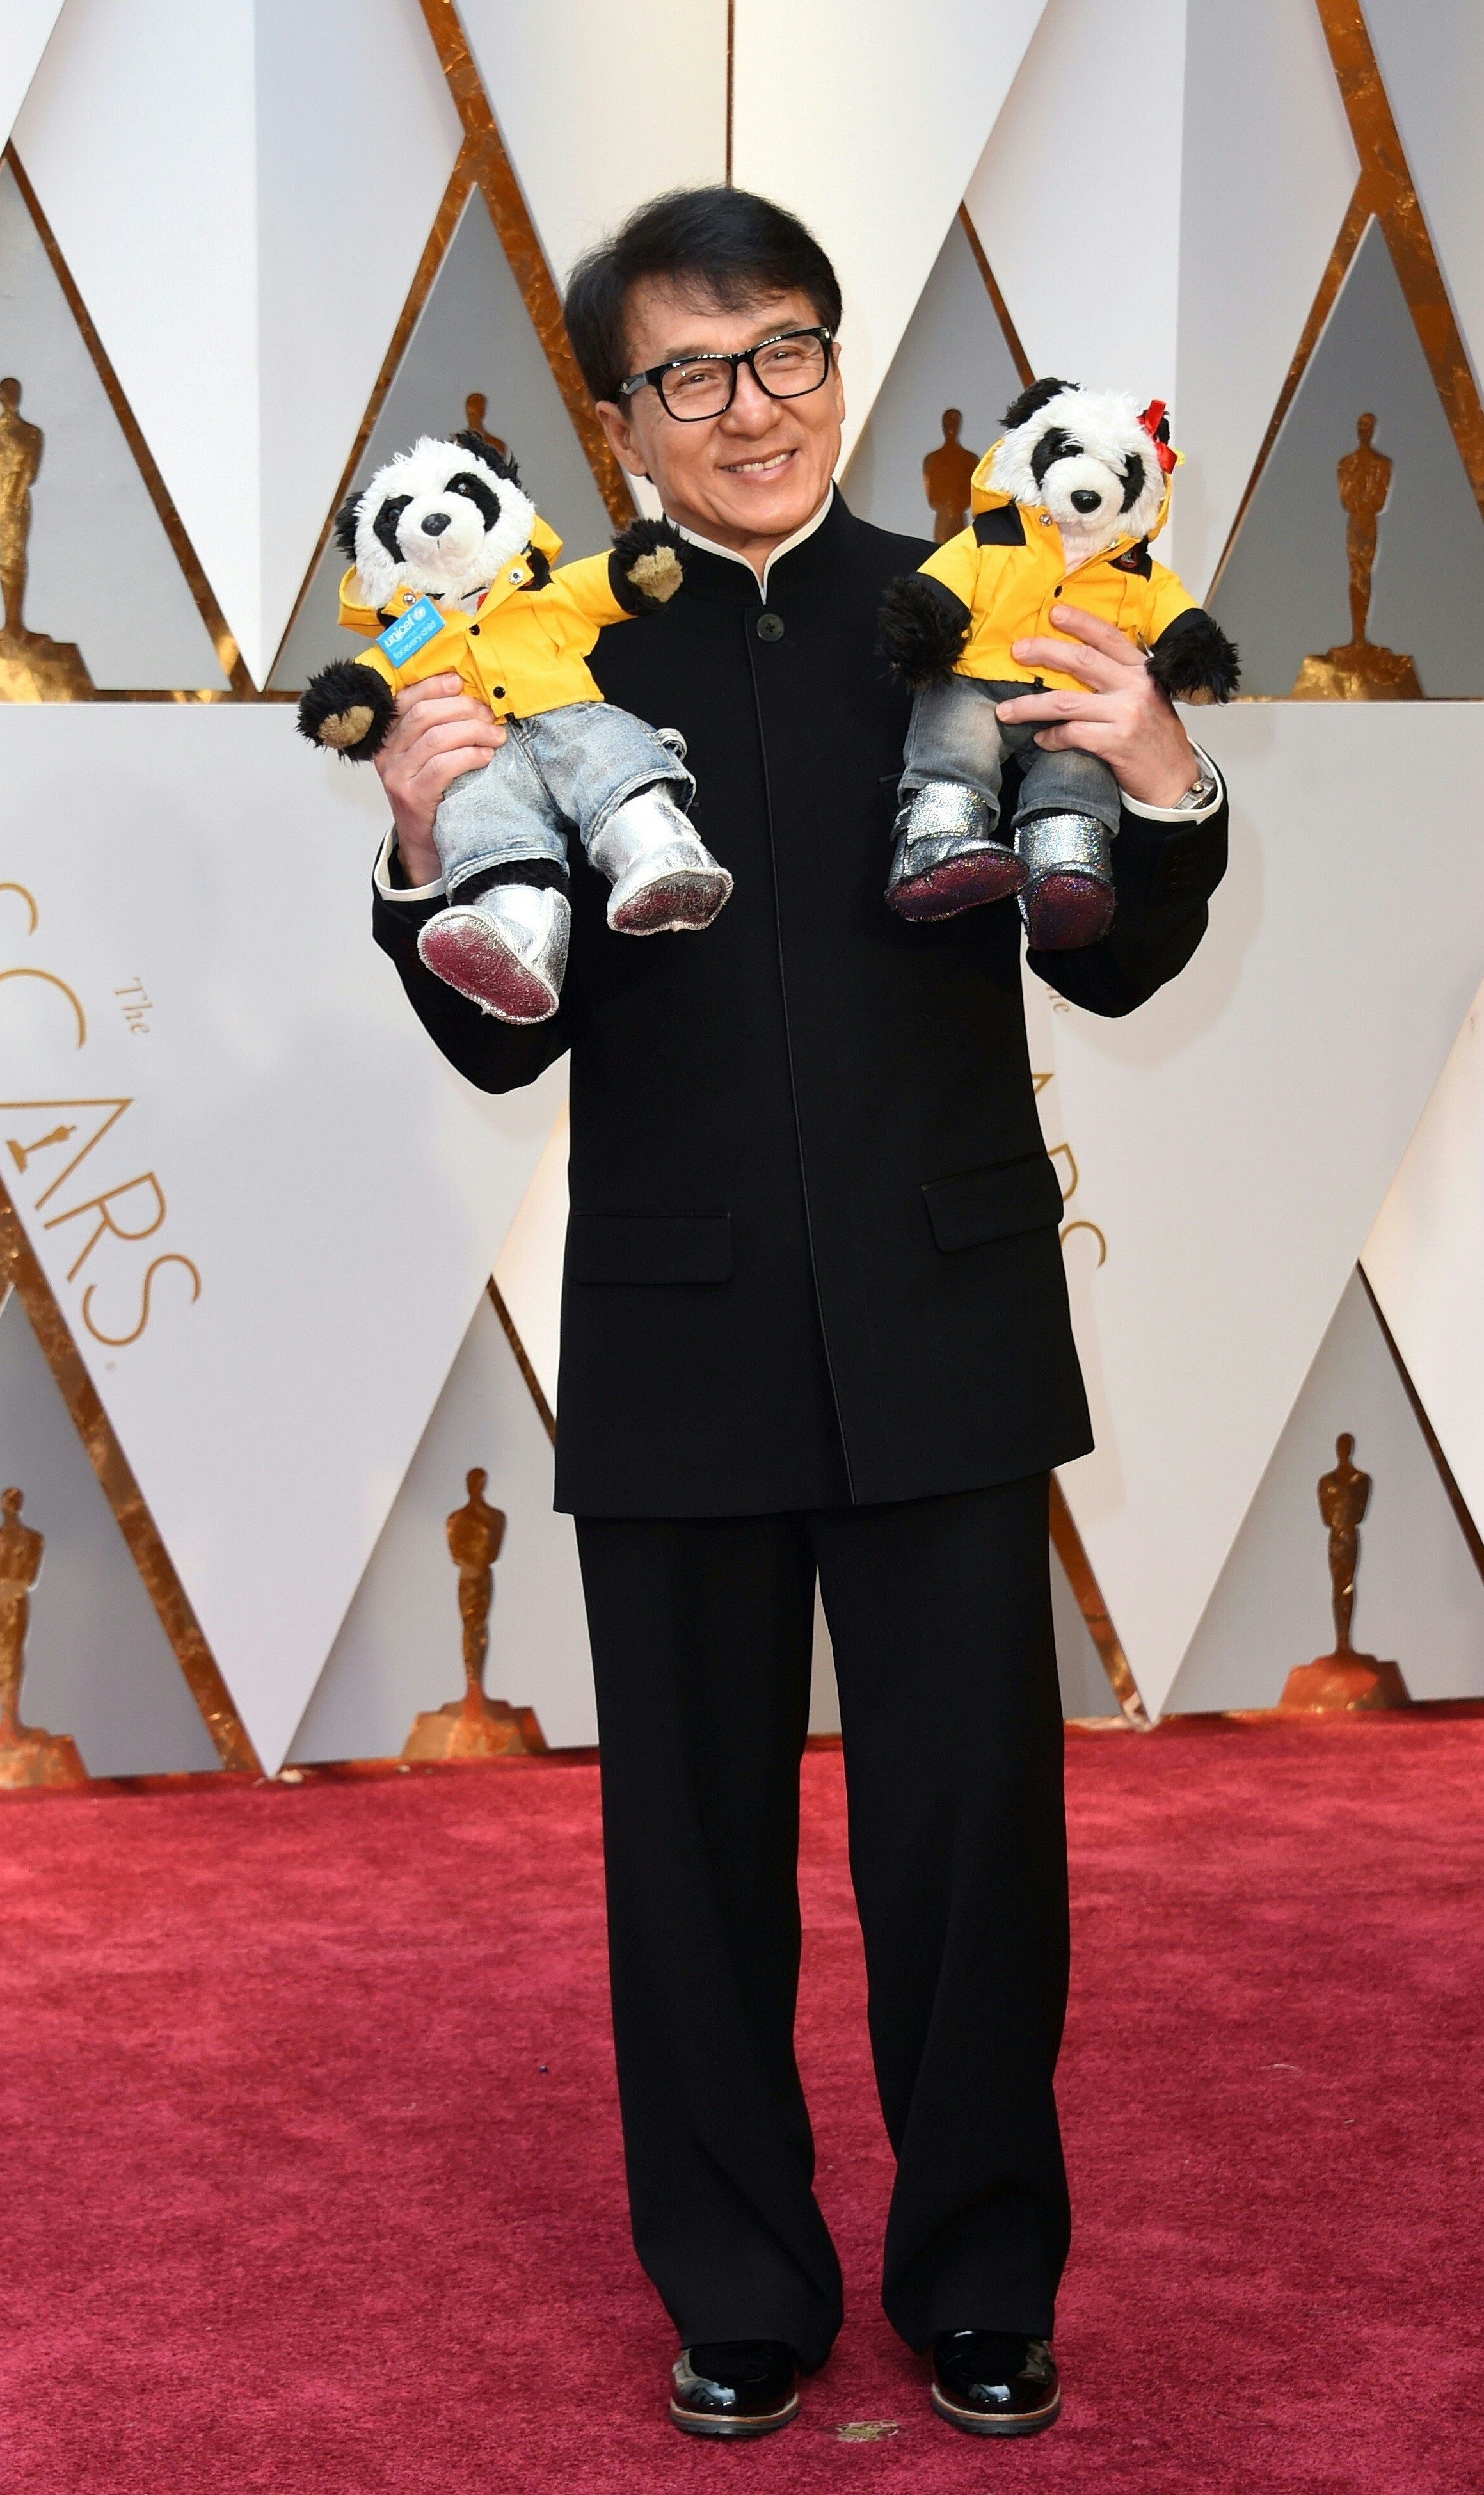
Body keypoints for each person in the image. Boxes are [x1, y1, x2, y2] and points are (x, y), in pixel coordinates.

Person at [369, 189, 1227, 2442]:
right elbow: (495, 1045)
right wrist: (413, 841)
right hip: (674, 1333)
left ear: (836, 365)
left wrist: (1156, 779)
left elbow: (1110, 958)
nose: (747, 407)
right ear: (613, 413)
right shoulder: (552, 653)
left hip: (944, 1310)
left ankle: (976, 2277)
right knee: (692, 1863)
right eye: (688, 373)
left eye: (784, 354)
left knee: (972, 1844)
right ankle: (739, 2283)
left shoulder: (963, 603)